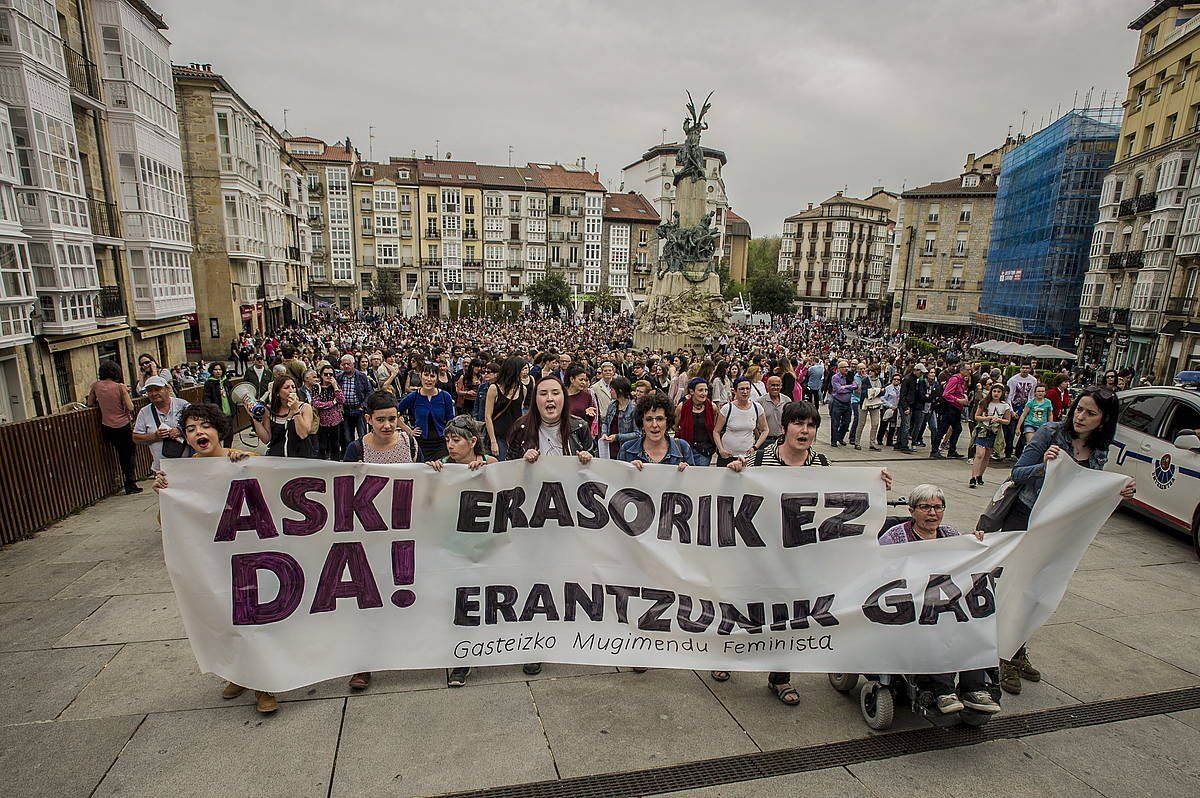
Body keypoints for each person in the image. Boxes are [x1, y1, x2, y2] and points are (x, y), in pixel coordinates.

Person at [715, 400, 893, 703]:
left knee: (789, 615)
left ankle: (780, 677)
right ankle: (726, 658)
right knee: (744, 607)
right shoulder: (759, 460)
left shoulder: (821, 465)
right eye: (798, 424)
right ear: (784, 428)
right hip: (760, 553)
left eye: (810, 425)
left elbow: (843, 500)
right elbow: (730, 494)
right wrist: (735, 471)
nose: (805, 430)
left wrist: (874, 485)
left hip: (800, 559)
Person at [999, 386, 1136, 695]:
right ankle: (1003, 655)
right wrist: (1045, 467)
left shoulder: (1100, 449)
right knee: (1016, 587)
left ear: (1104, 420)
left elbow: (1089, 488)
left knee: (1039, 592)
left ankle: (1017, 648)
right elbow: (1017, 472)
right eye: (1079, 409)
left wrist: (1120, 491)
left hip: (1060, 529)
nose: (1081, 416)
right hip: (1027, 519)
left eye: (1090, 413)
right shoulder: (1050, 432)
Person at [151, 404, 272, 712]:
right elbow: (166, 523)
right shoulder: (184, 473)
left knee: (252, 619)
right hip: (213, 561)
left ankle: (263, 685)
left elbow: (274, 485)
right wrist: (165, 493)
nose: (198, 433)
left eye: (204, 426)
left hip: (248, 557)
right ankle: (239, 674)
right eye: (191, 429)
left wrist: (247, 463)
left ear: (219, 430)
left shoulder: (242, 459)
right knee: (225, 618)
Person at [878, 485, 998, 716]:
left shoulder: (951, 535)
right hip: (911, 604)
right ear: (912, 510)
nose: (932, 513)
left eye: (937, 507)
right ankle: (943, 690)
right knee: (936, 629)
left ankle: (974, 688)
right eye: (925, 507)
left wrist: (976, 543)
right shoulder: (895, 536)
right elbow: (879, 568)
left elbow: (967, 564)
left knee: (972, 626)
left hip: (946, 602)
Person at [506, 375, 593, 676]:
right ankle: (536, 643)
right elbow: (507, 475)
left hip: (571, 518)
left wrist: (586, 461)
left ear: (563, 398)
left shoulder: (579, 428)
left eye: (555, 392)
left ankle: (572, 633)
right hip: (534, 519)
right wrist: (522, 462)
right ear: (536, 398)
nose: (550, 398)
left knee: (569, 574)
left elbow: (594, 475)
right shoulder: (520, 428)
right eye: (543, 393)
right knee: (536, 579)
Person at [427, 414, 497, 686]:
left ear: (473, 442)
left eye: (456, 440)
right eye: (447, 440)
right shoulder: (441, 466)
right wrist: (430, 476)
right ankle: (462, 659)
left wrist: (486, 473)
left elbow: (506, 493)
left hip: (486, 543)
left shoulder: (490, 464)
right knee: (460, 599)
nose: (450, 445)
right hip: (453, 543)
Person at [89, 360, 141, 494]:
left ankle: (122, 481)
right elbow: (130, 407)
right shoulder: (120, 387)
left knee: (117, 454)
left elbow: (90, 402)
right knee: (128, 455)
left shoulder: (95, 386)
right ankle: (130, 483)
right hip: (123, 425)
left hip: (106, 426)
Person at [617, 392, 695, 471]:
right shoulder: (627, 450)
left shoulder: (683, 448)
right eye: (649, 419)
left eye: (660, 419)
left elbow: (694, 482)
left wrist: (687, 474)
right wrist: (628, 473)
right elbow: (617, 481)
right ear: (642, 423)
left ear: (667, 422)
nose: (654, 425)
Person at [398, 362, 457, 461]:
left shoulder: (445, 396)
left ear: (437, 378)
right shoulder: (413, 396)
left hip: (441, 443)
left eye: (432, 376)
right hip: (421, 443)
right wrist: (409, 430)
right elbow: (394, 413)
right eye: (426, 375)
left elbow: (451, 421)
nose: (428, 379)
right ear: (420, 376)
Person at [248, 374, 315, 458]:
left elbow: (303, 434)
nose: (291, 390)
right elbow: (266, 439)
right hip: (277, 457)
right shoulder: (269, 410)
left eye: (293, 387)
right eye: (286, 387)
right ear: (277, 393)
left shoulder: (305, 408)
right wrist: (254, 419)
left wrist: (295, 410)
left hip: (300, 457)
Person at [713, 377, 768, 466]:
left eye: (747, 388)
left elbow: (765, 430)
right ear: (735, 391)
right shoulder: (727, 408)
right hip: (727, 456)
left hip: (747, 457)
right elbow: (716, 431)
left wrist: (755, 447)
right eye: (741, 389)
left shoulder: (757, 408)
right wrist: (721, 450)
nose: (745, 392)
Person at [484, 356, 528, 461]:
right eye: (522, 369)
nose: (525, 372)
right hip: (498, 435)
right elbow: (487, 416)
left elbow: (519, 413)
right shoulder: (494, 388)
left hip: (515, 436)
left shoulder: (523, 389)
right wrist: (493, 441)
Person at [970, 384, 1012, 488]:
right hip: (983, 430)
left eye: (998, 392)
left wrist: (999, 419)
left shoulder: (1005, 406)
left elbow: (1007, 421)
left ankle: (980, 475)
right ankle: (973, 477)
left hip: (995, 432)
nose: (996, 393)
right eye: (994, 391)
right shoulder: (984, 403)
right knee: (979, 454)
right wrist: (987, 418)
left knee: (987, 454)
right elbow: (976, 416)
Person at [930, 361, 970, 460]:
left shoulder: (961, 380)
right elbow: (946, 394)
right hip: (950, 408)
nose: (970, 371)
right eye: (968, 369)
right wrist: (958, 400)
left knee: (957, 429)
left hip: (956, 409)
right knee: (942, 429)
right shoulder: (955, 379)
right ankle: (934, 451)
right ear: (962, 370)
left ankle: (952, 450)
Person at [677, 378, 718, 466]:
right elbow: (675, 425)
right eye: (700, 390)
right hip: (686, 450)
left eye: (706, 390)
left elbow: (715, 428)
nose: (704, 393)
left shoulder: (712, 407)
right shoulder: (682, 407)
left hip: (704, 450)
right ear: (692, 391)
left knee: (700, 477)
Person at [336, 354, 374, 443]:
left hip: (359, 410)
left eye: (348, 364)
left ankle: (363, 454)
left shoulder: (361, 376)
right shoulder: (340, 377)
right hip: (346, 411)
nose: (346, 366)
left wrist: (363, 405)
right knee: (348, 437)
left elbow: (369, 392)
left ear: (353, 364)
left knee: (362, 436)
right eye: (344, 364)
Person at [1005, 363, 1038, 461]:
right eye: (1023, 368)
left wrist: (1028, 408)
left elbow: (1031, 396)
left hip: (1026, 408)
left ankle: (1018, 453)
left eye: (1027, 368)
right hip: (1014, 406)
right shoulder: (1012, 380)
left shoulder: (1033, 380)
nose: (1024, 370)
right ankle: (1008, 452)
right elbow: (1009, 396)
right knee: (1010, 432)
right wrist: (1011, 411)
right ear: (1020, 369)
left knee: (1024, 431)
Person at [311, 365, 346, 460]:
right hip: (321, 421)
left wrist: (335, 386)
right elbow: (316, 403)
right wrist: (332, 403)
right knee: (322, 446)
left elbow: (342, 400)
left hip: (335, 421)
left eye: (331, 374)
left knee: (335, 445)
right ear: (321, 375)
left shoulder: (335, 386)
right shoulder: (316, 387)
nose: (328, 376)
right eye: (325, 374)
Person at [600, 376, 638, 459]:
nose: (610, 391)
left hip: (626, 450)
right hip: (610, 448)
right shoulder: (612, 405)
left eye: (612, 389)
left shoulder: (634, 408)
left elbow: (637, 434)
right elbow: (605, 422)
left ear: (620, 391)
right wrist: (604, 433)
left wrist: (617, 437)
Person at [202, 362, 236, 447]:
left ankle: (227, 451)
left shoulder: (226, 381)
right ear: (212, 371)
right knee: (218, 435)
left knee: (229, 435)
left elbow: (232, 393)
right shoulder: (209, 383)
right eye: (216, 370)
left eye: (220, 369)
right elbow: (207, 397)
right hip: (217, 414)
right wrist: (211, 409)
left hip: (229, 413)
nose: (218, 371)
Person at [854, 365, 883, 451]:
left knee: (875, 423)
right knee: (861, 423)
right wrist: (877, 391)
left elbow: (884, 392)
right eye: (869, 371)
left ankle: (872, 443)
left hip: (875, 404)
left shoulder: (880, 380)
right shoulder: (865, 380)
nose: (870, 372)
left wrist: (874, 391)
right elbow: (864, 393)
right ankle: (857, 442)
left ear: (876, 372)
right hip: (865, 404)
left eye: (872, 371)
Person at [828, 360, 854, 446]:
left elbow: (855, 386)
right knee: (835, 423)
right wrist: (849, 388)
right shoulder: (835, 377)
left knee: (847, 422)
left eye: (847, 367)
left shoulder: (850, 376)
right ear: (839, 369)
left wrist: (845, 387)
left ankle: (840, 437)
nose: (846, 369)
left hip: (847, 403)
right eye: (844, 367)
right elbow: (838, 389)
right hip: (837, 402)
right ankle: (834, 440)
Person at [756, 374, 787, 438]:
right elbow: (754, 422)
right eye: (773, 385)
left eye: (778, 385)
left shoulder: (787, 400)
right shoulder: (760, 402)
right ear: (767, 386)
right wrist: (759, 437)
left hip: (782, 439)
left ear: (781, 386)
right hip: (766, 439)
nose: (775, 387)